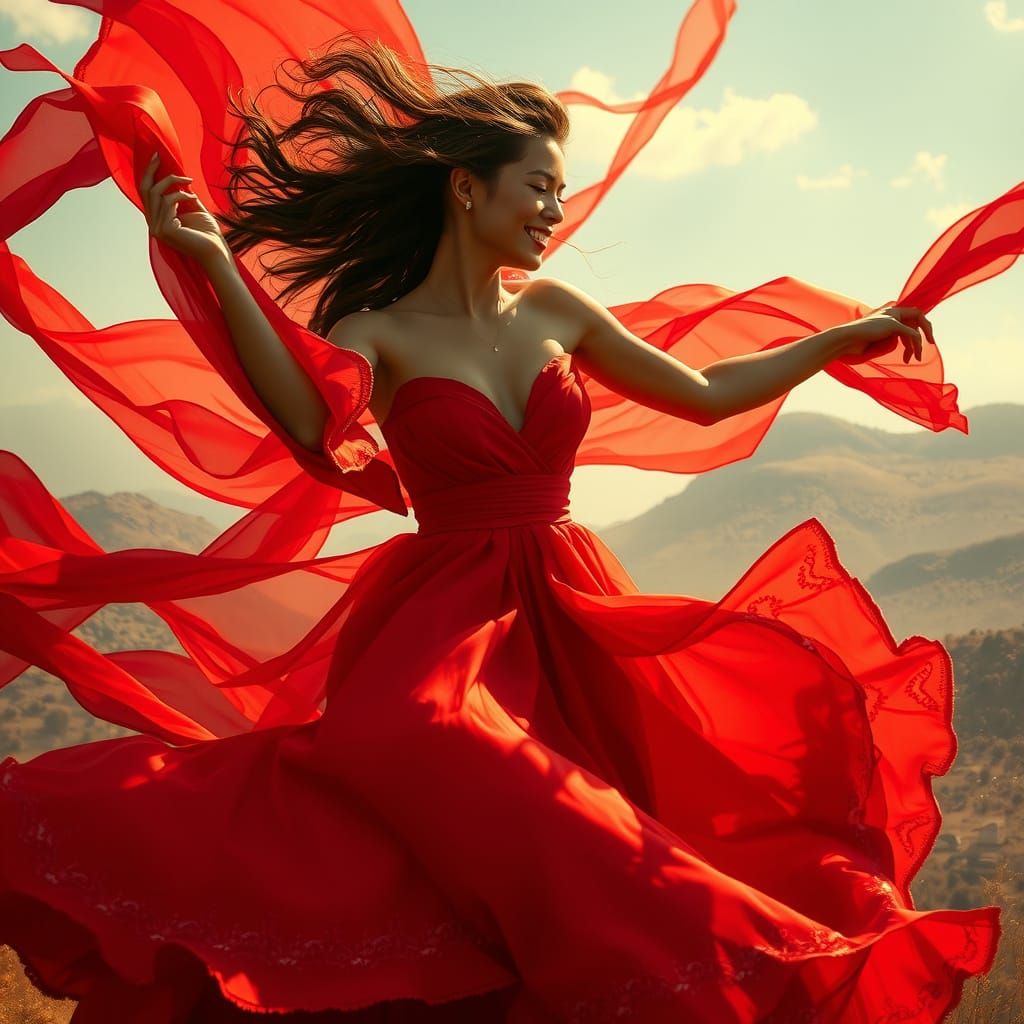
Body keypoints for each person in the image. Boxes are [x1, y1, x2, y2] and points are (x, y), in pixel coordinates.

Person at [0, 16, 1008, 1024]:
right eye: (539, 185)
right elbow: (308, 420)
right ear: (466, 185)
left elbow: (703, 392)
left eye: (561, 191)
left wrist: (836, 340)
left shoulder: (555, 310)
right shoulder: (376, 328)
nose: (554, 208)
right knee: (446, 741)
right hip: (448, 617)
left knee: (615, 811)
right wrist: (214, 261)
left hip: (569, 602)